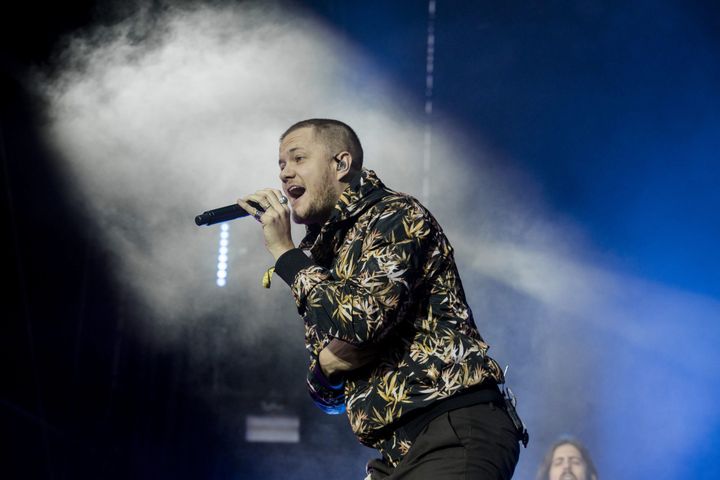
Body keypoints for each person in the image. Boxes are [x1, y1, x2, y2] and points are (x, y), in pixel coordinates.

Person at [237, 118, 526, 479]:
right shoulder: (326, 259)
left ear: (341, 164)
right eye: (281, 164)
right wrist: (326, 369)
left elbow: (361, 323)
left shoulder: (395, 216)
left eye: (297, 159)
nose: (284, 173)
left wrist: (285, 254)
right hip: (394, 453)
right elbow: (329, 392)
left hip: (452, 426)